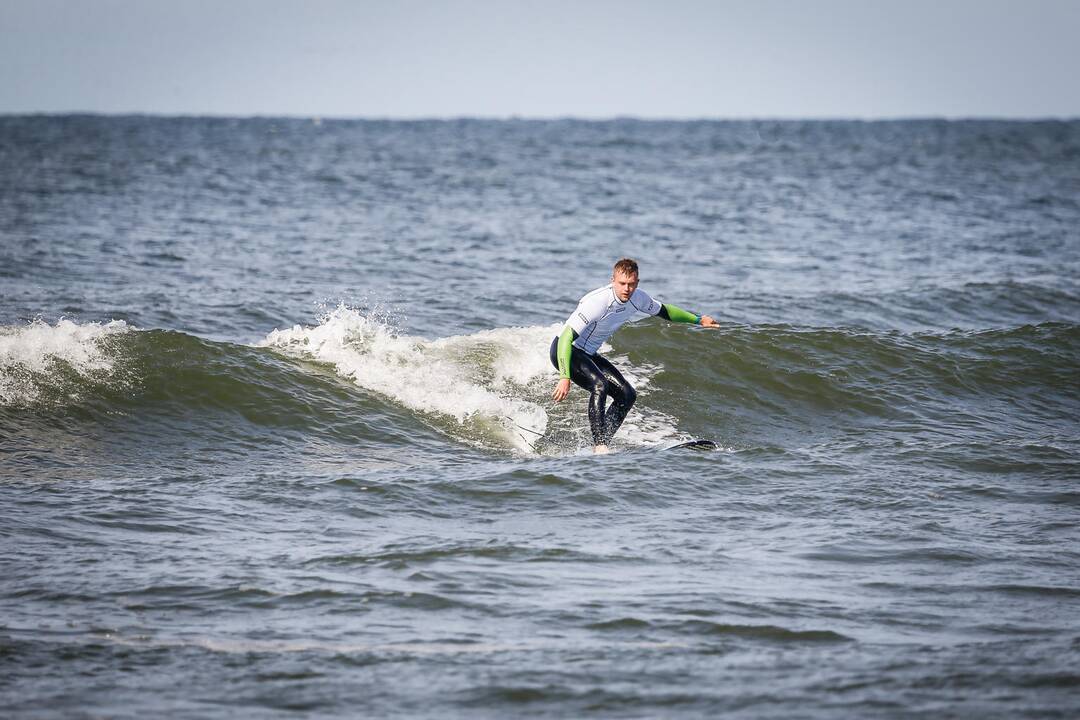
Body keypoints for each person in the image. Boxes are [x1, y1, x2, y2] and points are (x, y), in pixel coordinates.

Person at [550, 258, 719, 454]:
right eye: (622, 284)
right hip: (566, 350)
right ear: (613, 280)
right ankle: (600, 446)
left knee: (627, 395)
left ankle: (602, 441)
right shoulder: (597, 302)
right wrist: (564, 376)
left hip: (587, 353)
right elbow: (565, 338)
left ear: (637, 283)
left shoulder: (638, 298)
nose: (626, 289)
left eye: (631, 284)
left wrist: (698, 320)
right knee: (600, 385)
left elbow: (664, 311)